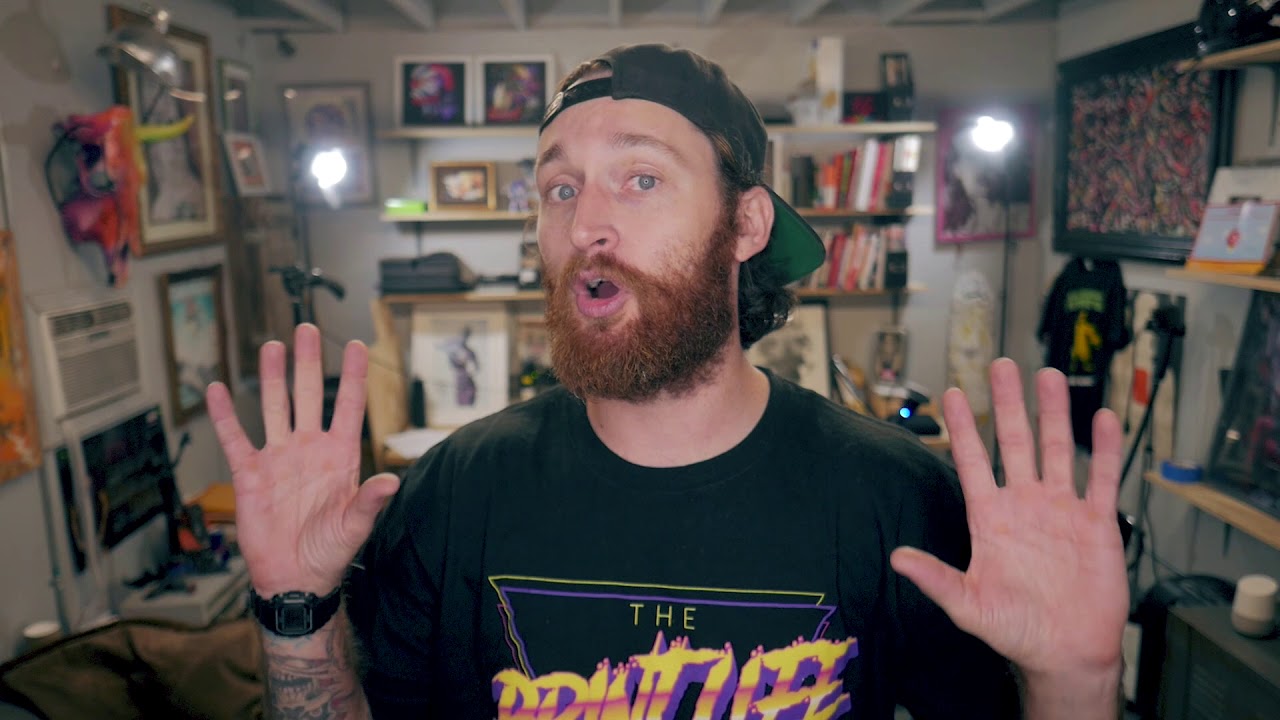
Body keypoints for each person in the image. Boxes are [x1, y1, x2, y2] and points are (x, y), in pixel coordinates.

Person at [206, 43, 1128, 719]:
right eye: (560, 189)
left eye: (641, 179)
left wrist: (1075, 682)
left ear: (746, 225)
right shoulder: (453, 494)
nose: (587, 225)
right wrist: (297, 611)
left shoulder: (897, 501)